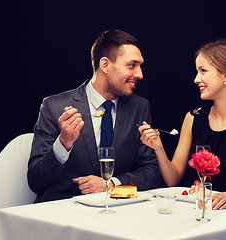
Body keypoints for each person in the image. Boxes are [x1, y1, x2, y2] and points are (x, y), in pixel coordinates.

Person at [28, 29, 162, 203]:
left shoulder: (140, 107)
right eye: (132, 65)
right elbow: (35, 182)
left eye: (140, 66)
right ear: (105, 65)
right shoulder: (54, 106)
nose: (140, 74)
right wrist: (63, 143)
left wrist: (112, 184)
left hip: (119, 213)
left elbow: (151, 172)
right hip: (64, 214)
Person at [139, 39, 226, 210]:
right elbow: (173, 180)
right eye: (197, 71)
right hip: (197, 212)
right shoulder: (193, 118)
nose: (196, 79)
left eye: (203, 71)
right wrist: (157, 147)